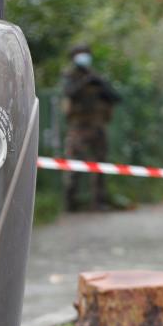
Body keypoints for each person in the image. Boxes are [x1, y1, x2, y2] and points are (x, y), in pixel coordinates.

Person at [61, 44, 120, 211]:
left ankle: (99, 202)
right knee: (73, 167)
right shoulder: (70, 76)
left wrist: (100, 83)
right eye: (80, 54)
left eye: (86, 54)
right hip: (78, 128)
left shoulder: (96, 77)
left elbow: (115, 97)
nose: (84, 57)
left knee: (100, 166)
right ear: (74, 57)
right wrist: (85, 82)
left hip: (98, 128)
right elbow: (69, 93)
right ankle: (70, 204)